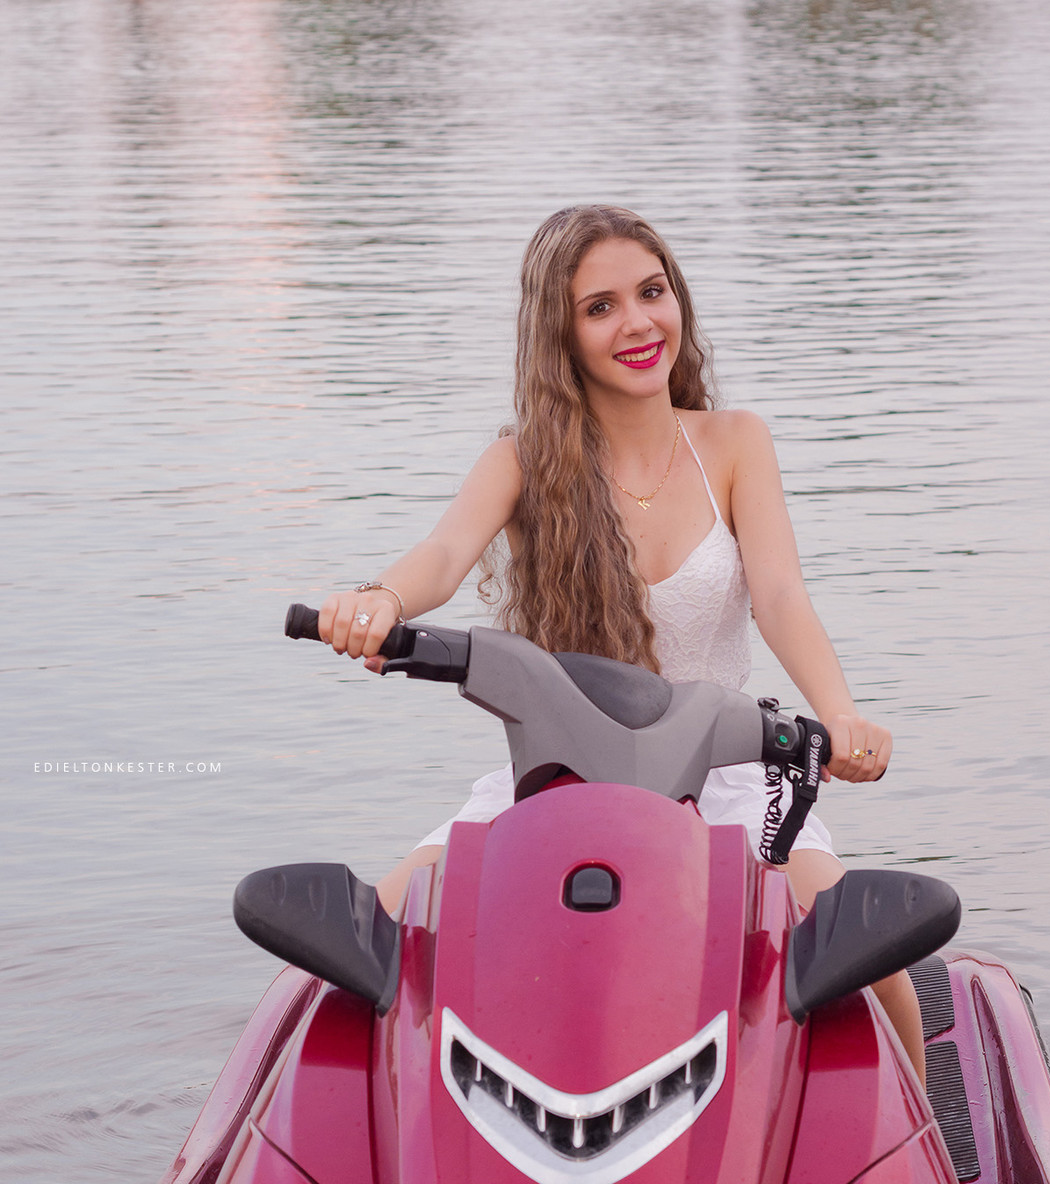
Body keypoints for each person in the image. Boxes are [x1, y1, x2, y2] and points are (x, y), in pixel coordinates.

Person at [319, 204, 927, 1082]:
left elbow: (782, 595)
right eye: (599, 306)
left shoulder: (732, 442)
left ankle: (937, 1172)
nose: (638, 322)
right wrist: (377, 599)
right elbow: (445, 554)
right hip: (560, 779)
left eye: (651, 291)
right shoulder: (524, 460)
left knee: (868, 960)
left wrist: (840, 717)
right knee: (372, 931)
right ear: (559, 334)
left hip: (726, 778)